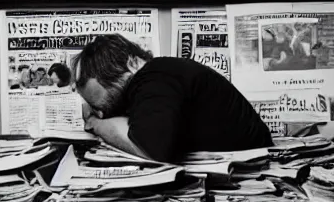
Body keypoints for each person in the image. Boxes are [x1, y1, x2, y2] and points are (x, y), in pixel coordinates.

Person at [72, 34, 273, 163]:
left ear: (133, 63)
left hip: (253, 173)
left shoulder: (155, 75)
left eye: (109, 104)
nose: (107, 114)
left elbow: (148, 149)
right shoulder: (165, 75)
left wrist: (95, 123)